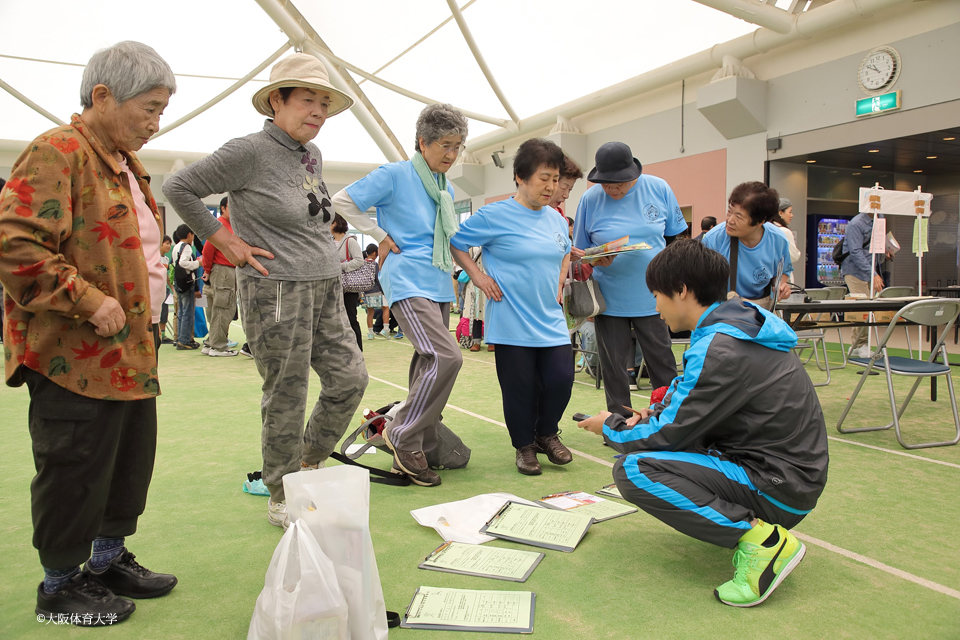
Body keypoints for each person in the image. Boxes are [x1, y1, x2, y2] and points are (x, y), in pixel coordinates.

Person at [0, 41, 178, 626]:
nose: (156, 123)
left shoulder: (124, 161)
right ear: (103, 97)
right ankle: (58, 586)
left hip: (130, 352)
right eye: (149, 108)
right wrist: (87, 298)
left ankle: (104, 562)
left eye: (162, 109)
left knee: (126, 464)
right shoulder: (58, 151)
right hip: (74, 355)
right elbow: (16, 245)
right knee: (74, 466)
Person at [162, 53, 368, 526]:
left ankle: (307, 462)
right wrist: (225, 240)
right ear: (277, 100)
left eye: (324, 104)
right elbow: (179, 187)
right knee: (287, 393)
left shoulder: (311, 154)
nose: (318, 111)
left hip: (325, 287)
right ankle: (281, 491)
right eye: (307, 100)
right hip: (276, 290)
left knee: (350, 378)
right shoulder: (248, 151)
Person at [577, 239, 828, 608]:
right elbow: (689, 401)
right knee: (658, 445)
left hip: (779, 485)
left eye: (657, 295)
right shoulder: (733, 325)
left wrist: (611, 425)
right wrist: (648, 413)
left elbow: (669, 433)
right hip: (787, 472)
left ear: (681, 291)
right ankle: (754, 530)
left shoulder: (721, 346)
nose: (655, 306)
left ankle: (763, 542)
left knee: (634, 470)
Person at [332, 103, 468, 488]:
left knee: (429, 360)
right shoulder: (395, 174)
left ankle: (421, 440)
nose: (452, 154)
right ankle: (402, 432)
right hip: (406, 278)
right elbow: (342, 201)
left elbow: (453, 237)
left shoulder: (446, 187)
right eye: (445, 144)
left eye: (458, 146)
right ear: (422, 142)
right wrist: (379, 235)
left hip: (439, 280)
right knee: (446, 356)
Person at [451, 138, 573, 475]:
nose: (551, 186)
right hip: (510, 317)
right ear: (520, 176)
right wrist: (476, 275)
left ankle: (547, 433)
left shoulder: (557, 220)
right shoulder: (494, 216)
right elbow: (457, 242)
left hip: (549, 317)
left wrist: (561, 277)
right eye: (544, 178)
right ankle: (525, 446)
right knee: (519, 388)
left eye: (555, 178)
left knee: (561, 378)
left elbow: (565, 249)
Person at [573, 141, 687, 419]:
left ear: (633, 175)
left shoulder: (658, 188)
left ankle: (668, 419)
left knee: (662, 361)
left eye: (619, 184)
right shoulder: (589, 199)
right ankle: (618, 421)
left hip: (655, 296)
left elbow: (678, 240)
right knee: (613, 366)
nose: (612, 189)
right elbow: (578, 252)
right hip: (609, 298)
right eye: (606, 184)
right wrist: (596, 257)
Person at [702, 182, 792, 310]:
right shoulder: (714, 240)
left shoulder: (778, 240)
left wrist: (781, 287)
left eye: (738, 216)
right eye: (729, 211)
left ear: (760, 221)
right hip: (720, 312)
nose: (730, 220)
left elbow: (783, 271)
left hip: (760, 311)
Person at [840, 208, 886, 359]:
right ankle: (859, 346)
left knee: (867, 308)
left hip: (870, 270)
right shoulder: (856, 223)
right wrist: (873, 274)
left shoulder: (880, 219)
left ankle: (860, 345)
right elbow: (855, 252)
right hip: (855, 272)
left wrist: (886, 251)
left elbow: (876, 245)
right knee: (863, 309)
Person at [200, 197, 238, 356]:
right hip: (223, 271)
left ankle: (211, 343)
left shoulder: (230, 225)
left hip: (224, 271)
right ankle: (218, 346)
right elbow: (208, 249)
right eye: (231, 206)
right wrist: (207, 269)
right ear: (223, 208)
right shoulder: (220, 224)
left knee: (218, 308)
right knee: (224, 308)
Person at [331, 214, 364, 350]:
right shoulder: (328, 241)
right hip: (333, 285)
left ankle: (357, 349)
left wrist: (340, 266)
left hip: (349, 286)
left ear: (334, 223)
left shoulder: (350, 241)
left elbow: (359, 261)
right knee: (335, 318)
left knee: (351, 317)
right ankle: (343, 348)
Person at [172, 224, 201, 350]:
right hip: (186, 282)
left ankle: (181, 338)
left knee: (181, 312)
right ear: (189, 235)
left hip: (177, 282)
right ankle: (185, 340)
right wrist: (197, 263)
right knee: (188, 312)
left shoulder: (176, 247)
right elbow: (183, 263)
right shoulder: (187, 247)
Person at [362, 243, 389, 340]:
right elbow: (378, 279)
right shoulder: (375, 264)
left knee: (370, 312)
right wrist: (384, 291)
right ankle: (386, 330)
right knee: (386, 308)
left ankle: (370, 333)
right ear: (374, 253)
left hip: (367, 292)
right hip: (377, 291)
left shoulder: (362, 264)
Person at [772, 198, 801, 280]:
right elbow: (794, 256)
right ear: (780, 213)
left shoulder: (767, 229)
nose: (792, 215)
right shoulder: (784, 232)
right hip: (782, 275)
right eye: (790, 212)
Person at [159, 235, 174, 344]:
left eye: (170, 243)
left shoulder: (166, 259)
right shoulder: (154, 258)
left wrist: (172, 288)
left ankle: (163, 335)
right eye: (166, 243)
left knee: (164, 311)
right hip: (154, 290)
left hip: (164, 290)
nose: (169, 246)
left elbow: (166, 276)